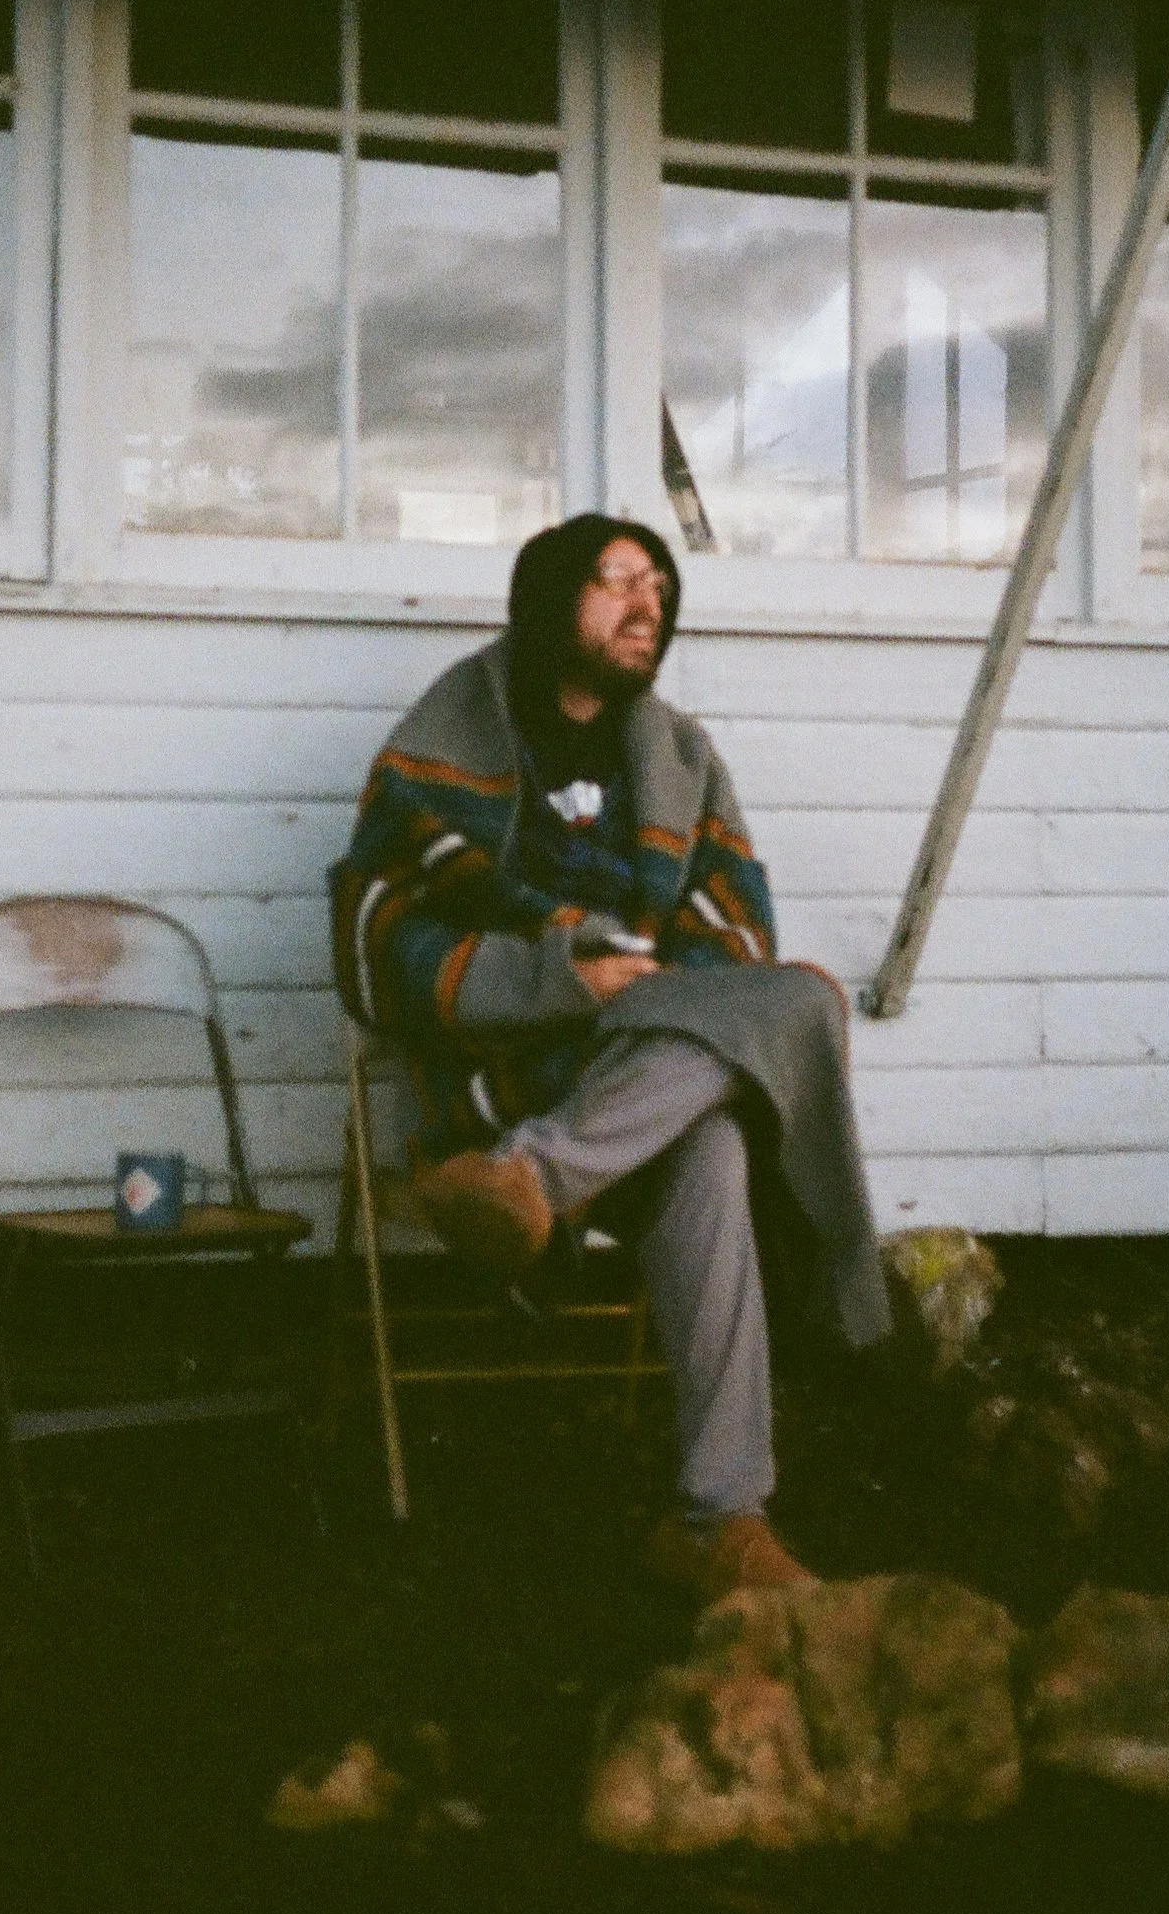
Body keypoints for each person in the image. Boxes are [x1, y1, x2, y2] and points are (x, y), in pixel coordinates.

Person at [332, 511, 891, 1602]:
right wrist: (560, 978)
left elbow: (736, 926)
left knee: (778, 1025)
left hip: (639, 1057)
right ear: (548, 604)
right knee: (736, 1102)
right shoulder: (451, 731)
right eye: (616, 582)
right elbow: (375, 941)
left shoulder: (679, 755)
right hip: (502, 1073)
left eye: (659, 586)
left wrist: (647, 989)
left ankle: (537, 1183)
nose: (648, 605)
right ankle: (719, 1513)